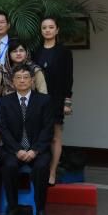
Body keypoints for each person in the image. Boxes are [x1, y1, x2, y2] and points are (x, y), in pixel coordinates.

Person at [0, 65, 53, 215]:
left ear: (32, 80)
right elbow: (3, 129)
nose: (22, 80)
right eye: (18, 77)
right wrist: (17, 150)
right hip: (13, 149)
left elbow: (48, 129)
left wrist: (35, 150)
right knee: (9, 166)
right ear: (12, 81)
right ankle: (12, 207)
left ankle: (40, 209)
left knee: (41, 167)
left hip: (38, 149)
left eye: (26, 77)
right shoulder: (4, 102)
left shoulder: (44, 100)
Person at [33, 16, 74, 187]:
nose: (47, 30)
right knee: (39, 135)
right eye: (44, 27)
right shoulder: (36, 52)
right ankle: (39, 169)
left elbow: (68, 78)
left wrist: (67, 102)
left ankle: (52, 172)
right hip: (38, 99)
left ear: (57, 30)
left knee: (55, 138)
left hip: (57, 99)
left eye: (51, 27)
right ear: (41, 31)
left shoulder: (64, 52)